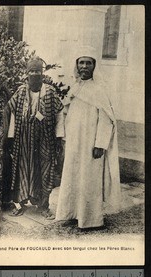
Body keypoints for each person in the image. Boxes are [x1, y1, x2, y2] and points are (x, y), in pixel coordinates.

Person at [55, 47, 121, 229]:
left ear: (94, 66)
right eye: (81, 62)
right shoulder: (74, 87)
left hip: (91, 143)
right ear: (76, 65)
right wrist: (62, 135)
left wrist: (100, 143)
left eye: (88, 63)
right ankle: (71, 214)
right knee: (72, 176)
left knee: (89, 179)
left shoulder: (100, 89)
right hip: (74, 142)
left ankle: (91, 219)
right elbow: (64, 112)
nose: (84, 66)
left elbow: (106, 119)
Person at [3, 56, 64, 219]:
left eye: (38, 71)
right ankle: (19, 203)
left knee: (45, 171)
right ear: (27, 73)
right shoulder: (21, 91)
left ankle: (44, 206)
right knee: (22, 170)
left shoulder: (50, 91)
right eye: (31, 71)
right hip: (23, 141)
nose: (34, 74)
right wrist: (10, 137)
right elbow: (13, 114)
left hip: (45, 140)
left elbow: (59, 114)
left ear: (42, 73)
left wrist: (59, 136)